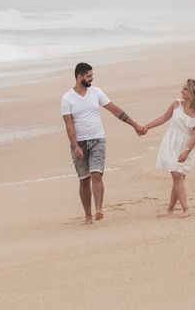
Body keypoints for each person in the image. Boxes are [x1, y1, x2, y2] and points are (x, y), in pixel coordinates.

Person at [61, 62, 144, 224]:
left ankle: (98, 209)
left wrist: (135, 125)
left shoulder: (96, 92)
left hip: (97, 139)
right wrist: (75, 146)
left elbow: (115, 110)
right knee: (84, 180)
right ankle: (88, 216)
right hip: (79, 144)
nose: (92, 78)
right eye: (89, 76)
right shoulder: (67, 98)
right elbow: (69, 125)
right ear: (79, 77)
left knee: (96, 173)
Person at [141, 79, 195, 217]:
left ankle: (170, 210)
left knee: (178, 179)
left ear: (192, 92)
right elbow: (163, 118)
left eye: (185, 89)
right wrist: (147, 126)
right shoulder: (176, 104)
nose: (181, 91)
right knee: (176, 175)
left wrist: (186, 151)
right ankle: (185, 209)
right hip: (171, 144)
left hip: (187, 147)